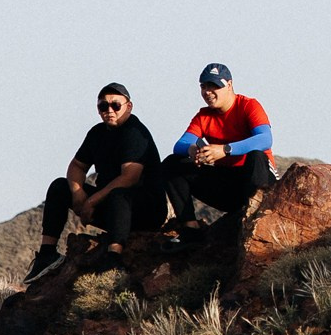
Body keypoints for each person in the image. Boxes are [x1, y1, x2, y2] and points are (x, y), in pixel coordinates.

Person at [26, 83, 166, 283]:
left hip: (145, 210)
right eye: (103, 106)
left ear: (129, 106)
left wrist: (92, 202)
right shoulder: (97, 133)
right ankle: (47, 253)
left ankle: (114, 256)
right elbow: (77, 166)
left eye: (116, 105)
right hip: (111, 208)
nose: (109, 110)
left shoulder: (134, 133)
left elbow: (130, 177)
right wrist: (77, 193)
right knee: (59, 187)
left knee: (119, 193)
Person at [160, 62, 272, 260]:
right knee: (172, 163)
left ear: (229, 85)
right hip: (229, 187)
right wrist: (193, 149)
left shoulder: (248, 105)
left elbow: (265, 139)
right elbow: (181, 144)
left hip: (257, 180)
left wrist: (226, 150)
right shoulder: (204, 116)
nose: (208, 92)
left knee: (256, 155)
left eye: (214, 86)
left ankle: (254, 218)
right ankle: (190, 230)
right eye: (204, 86)